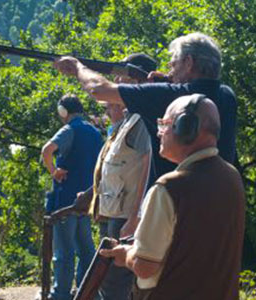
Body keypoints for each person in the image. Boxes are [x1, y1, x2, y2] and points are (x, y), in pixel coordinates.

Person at [100, 94, 246, 300]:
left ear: (185, 128)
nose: (159, 133)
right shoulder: (232, 177)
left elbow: (145, 267)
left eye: (165, 124)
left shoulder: (168, 188)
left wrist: (126, 255)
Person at [53, 32, 237, 184]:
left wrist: (77, 67)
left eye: (173, 64)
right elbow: (197, 87)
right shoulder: (227, 95)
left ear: (189, 63)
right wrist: (163, 81)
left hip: (176, 200)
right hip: (220, 195)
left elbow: (99, 90)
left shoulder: (169, 97)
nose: (170, 71)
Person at [87, 54, 154, 300]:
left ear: (138, 79)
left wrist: (135, 217)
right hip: (113, 210)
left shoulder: (140, 119)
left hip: (125, 215)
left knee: (115, 282)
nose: (116, 80)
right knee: (107, 280)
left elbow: (148, 167)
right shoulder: (129, 118)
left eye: (122, 75)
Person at [41, 94, 103, 300]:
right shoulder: (95, 132)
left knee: (64, 253)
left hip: (65, 201)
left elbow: (46, 151)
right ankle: (87, 292)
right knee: (86, 250)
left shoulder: (69, 129)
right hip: (86, 200)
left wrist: (54, 171)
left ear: (63, 111)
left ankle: (61, 295)